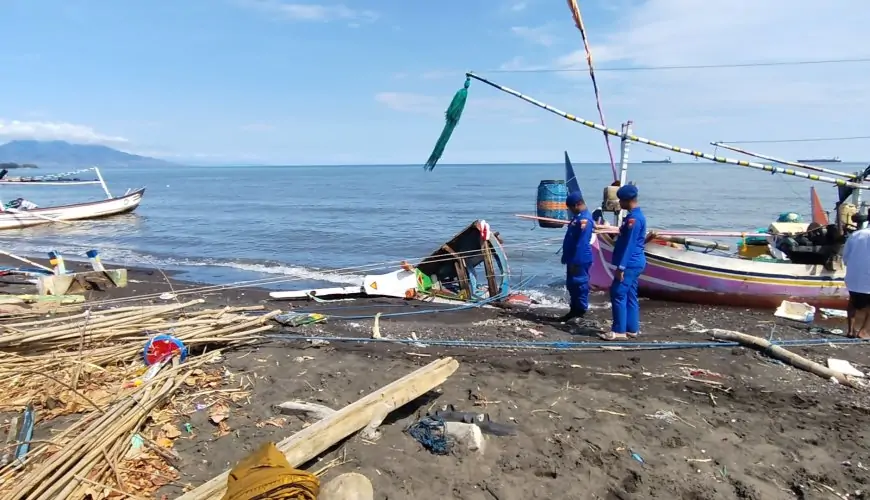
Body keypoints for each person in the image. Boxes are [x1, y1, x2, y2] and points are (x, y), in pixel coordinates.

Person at [602, 184, 656, 340]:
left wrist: (621, 267)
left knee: (618, 293)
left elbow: (629, 244)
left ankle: (619, 331)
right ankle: (632, 328)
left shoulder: (633, 219)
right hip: (636, 262)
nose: (620, 204)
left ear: (627, 200)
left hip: (630, 263)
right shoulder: (636, 217)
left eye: (621, 201)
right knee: (631, 294)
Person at [559, 191, 595, 322]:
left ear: (577, 205)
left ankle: (580, 310)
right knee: (572, 285)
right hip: (572, 257)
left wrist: (575, 260)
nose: (570, 211)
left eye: (570, 208)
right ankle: (573, 309)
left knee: (579, 284)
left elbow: (582, 243)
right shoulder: (577, 217)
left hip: (580, 258)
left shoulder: (585, 219)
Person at [844, 213, 870, 339]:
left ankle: (850, 330)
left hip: (853, 277)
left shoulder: (856, 235)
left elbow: (845, 257)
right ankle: (864, 331)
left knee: (852, 302)